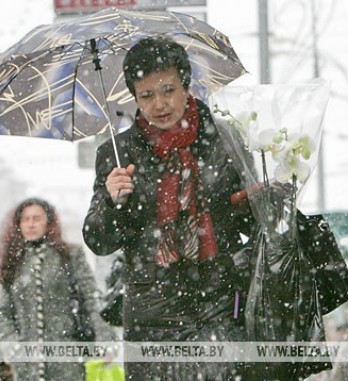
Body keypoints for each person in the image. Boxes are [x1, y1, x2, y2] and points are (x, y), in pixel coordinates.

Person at [82, 36, 255, 380]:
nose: (159, 104)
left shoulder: (225, 141)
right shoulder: (118, 154)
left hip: (218, 306)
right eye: (146, 96)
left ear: (186, 87)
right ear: (134, 98)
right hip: (151, 317)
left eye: (168, 90)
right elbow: (98, 239)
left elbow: (254, 223)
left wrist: (263, 198)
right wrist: (115, 203)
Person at [0, 197, 116, 381]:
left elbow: (91, 299)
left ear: (49, 222)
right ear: (18, 225)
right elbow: (3, 312)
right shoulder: (13, 262)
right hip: (28, 365)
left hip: (67, 359)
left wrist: (105, 340)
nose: (31, 224)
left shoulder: (69, 256)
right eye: (25, 219)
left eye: (37, 218)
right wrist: (13, 347)